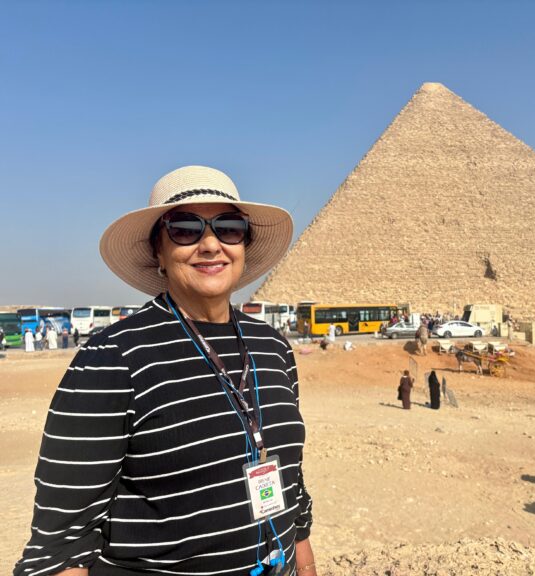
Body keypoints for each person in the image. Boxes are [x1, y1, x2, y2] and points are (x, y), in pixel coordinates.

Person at [15, 166, 316, 576]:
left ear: (244, 243)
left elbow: (291, 480)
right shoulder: (112, 357)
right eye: (185, 229)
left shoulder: (273, 346)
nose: (210, 244)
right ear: (157, 250)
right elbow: (60, 547)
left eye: (229, 228)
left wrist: (305, 564)